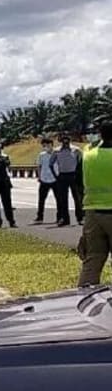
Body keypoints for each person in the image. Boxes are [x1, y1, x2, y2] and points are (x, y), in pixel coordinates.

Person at [77, 119, 112, 286]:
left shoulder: (88, 156)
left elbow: (78, 184)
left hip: (93, 214)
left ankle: (84, 294)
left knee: (92, 260)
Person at [51, 134, 84, 226]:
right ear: (61, 141)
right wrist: (56, 176)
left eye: (67, 140)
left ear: (70, 140)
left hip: (73, 175)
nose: (65, 142)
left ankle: (80, 217)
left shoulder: (76, 150)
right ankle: (64, 219)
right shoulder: (56, 151)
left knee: (77, 198)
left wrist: (79, 176)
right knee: (62, 199)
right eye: (63, 140)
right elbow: (51, 164)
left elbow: (81, 163)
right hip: (62, 175)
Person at [34, 137, 58, 223]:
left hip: (55, 179)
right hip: (44, 179)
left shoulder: (57, 154)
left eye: (47, 145)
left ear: (51, 144)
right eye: (44, 146)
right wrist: (39, 177)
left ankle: (60, 217)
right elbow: (39, 166)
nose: (45, 147)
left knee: (59, 199)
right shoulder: (42, 155)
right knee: (41, 199)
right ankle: (40, 217)